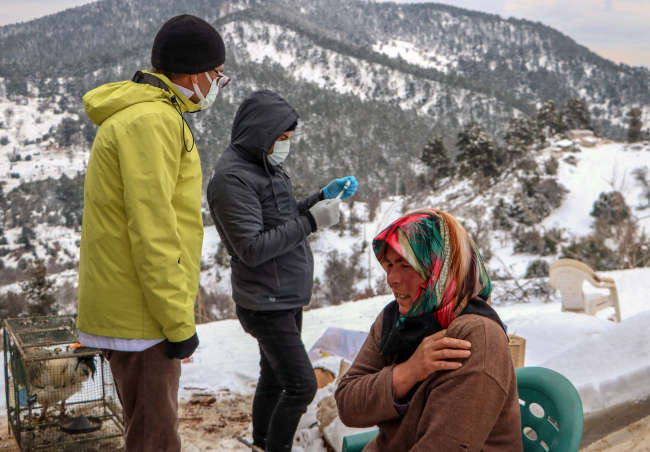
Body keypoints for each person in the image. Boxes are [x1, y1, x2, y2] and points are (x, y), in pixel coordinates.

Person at [76, 14, 227, 452]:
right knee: (155, 439)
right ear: (193, 73)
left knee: (144, 429)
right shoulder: (152, 121)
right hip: (141, 319)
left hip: (133, 311)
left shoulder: (142, 114)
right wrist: (178, 323)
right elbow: (154, 232)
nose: (218, 84)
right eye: (217, 75)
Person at [207, 89, 358, 452]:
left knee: (274, 379)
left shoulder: (264, 165)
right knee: (302, 385)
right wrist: (310, 220)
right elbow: (252, 248)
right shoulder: (231, 180)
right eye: (282, 138)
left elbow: (282, 216)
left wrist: (319, 198)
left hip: (284, 295)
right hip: (265, 301)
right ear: (261, 135)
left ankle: (262, 443)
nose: (286, 145)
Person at [335, 209, 522, 452]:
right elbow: (348, 406)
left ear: (441, 269)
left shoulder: (477, 336)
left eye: (406, 265)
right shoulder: (395, 320)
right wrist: (409, 371)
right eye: (389, 264)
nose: (391, 278)